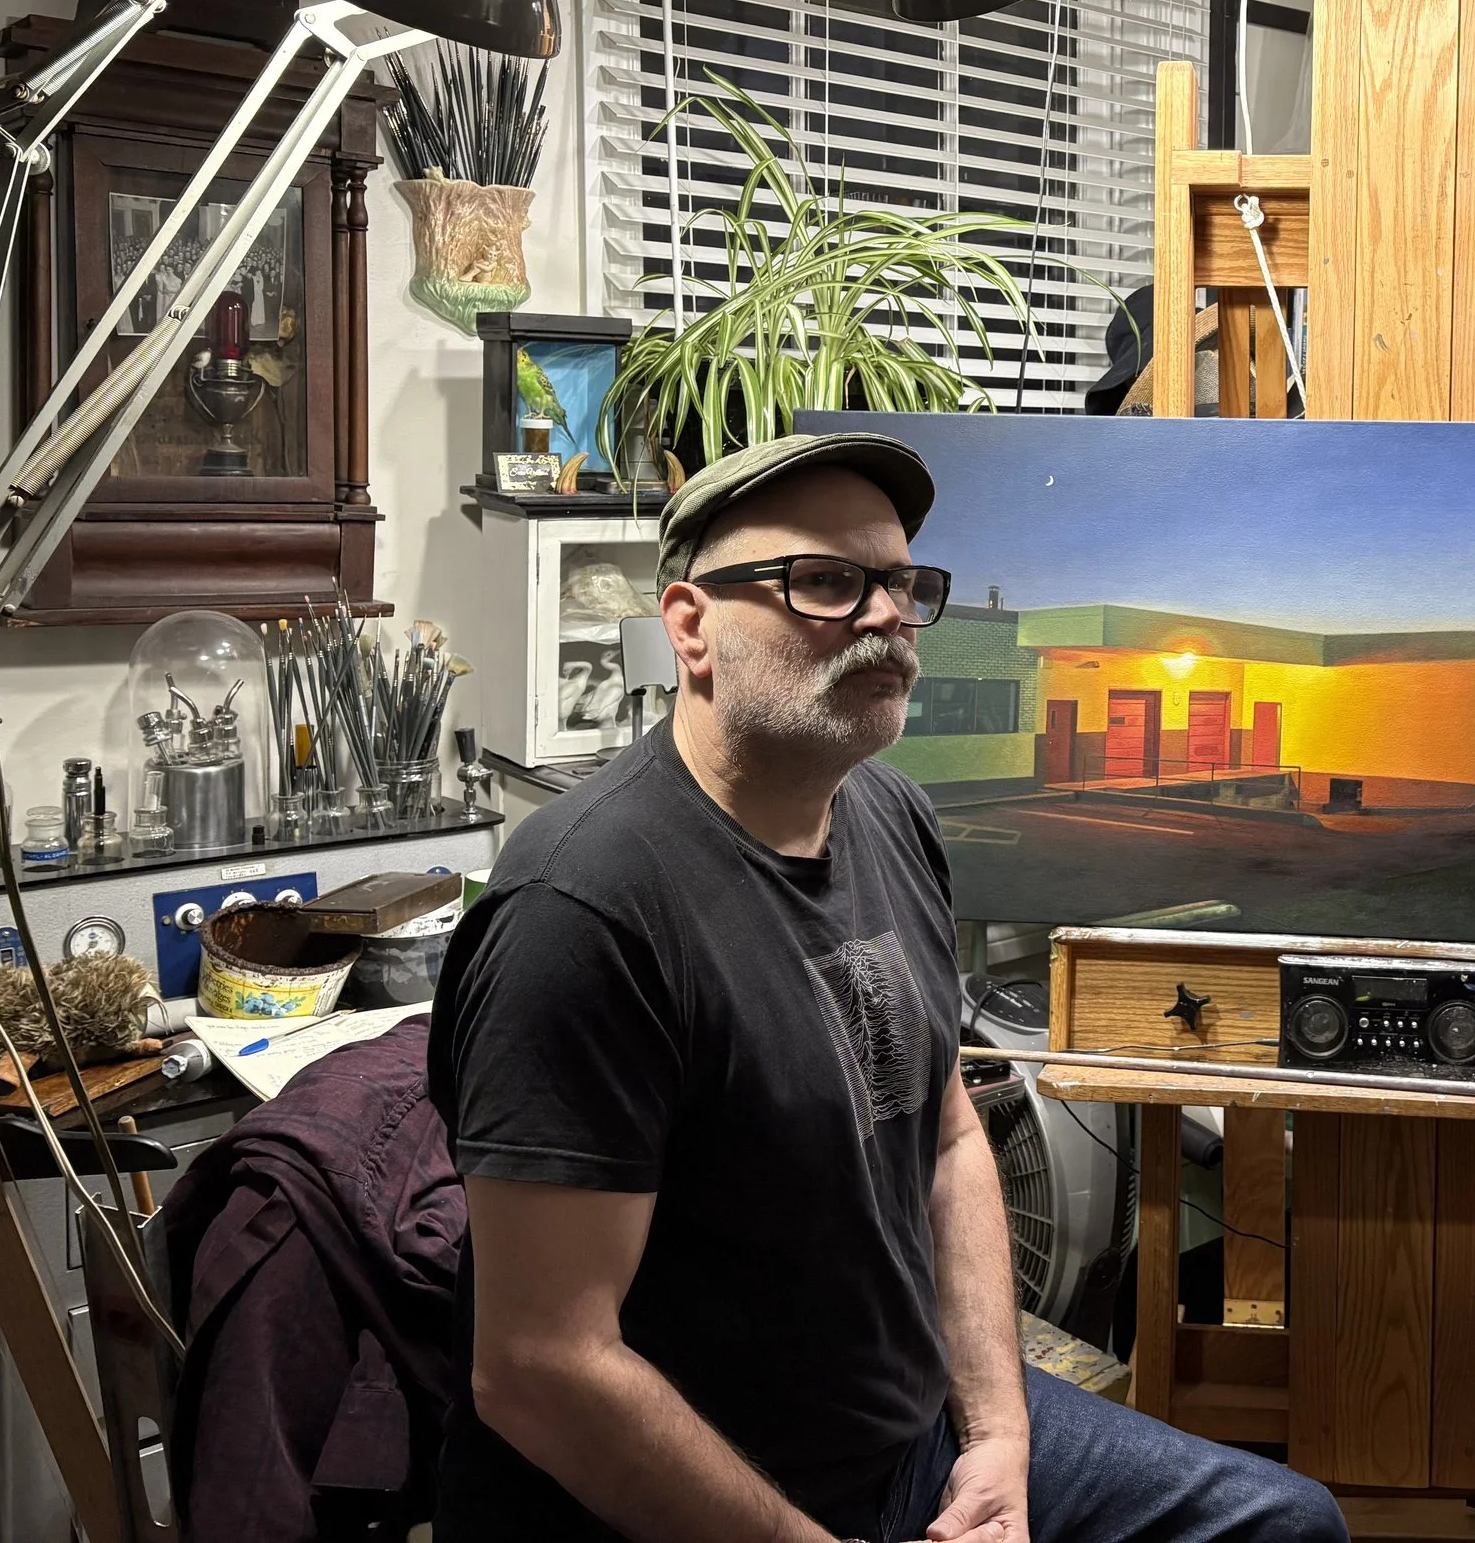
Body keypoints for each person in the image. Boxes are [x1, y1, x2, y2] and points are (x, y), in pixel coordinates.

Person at [428, 433, 1347, 1543]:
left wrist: (997, 1439)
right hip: (703, 1497)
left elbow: (948, 1134)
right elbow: (540, 1367)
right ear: (690, 626)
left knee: (1286, 1525)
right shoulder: (585, 907)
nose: (885, 616)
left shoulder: (891, 814)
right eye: (825, 582)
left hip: (911, 1445)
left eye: (904, 585)